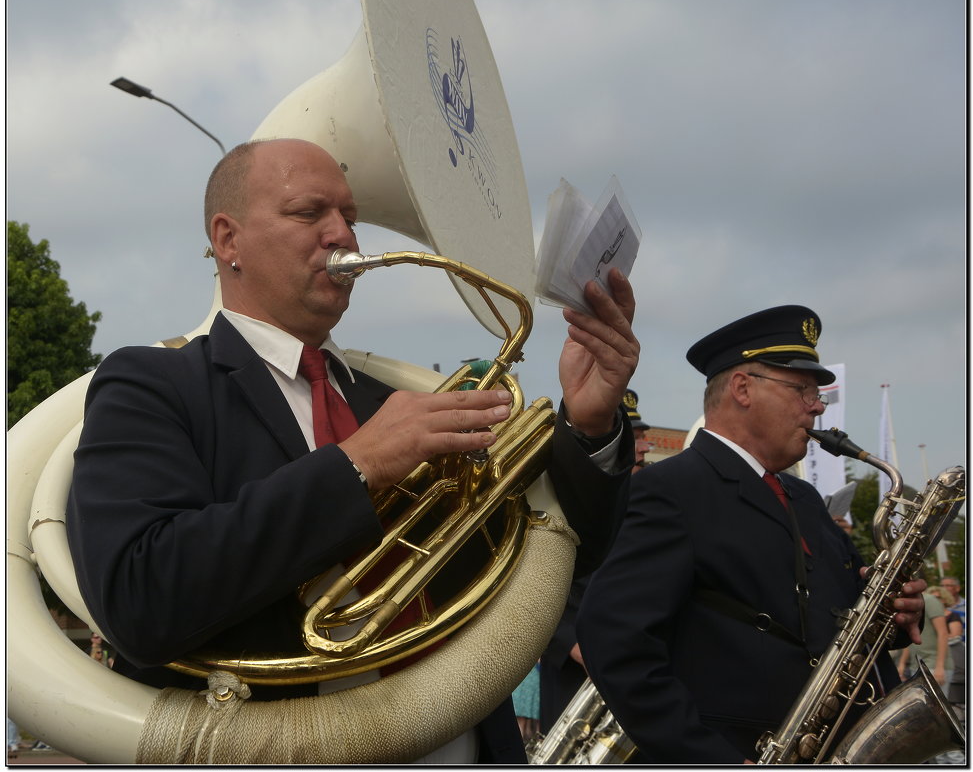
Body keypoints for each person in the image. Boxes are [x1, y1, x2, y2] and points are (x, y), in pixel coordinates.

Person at [65, 138, 639, 764]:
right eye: (310, 213)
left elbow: (548, 556)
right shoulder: (151, 383)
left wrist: (588, 426)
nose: (344, 234)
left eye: (350, 217)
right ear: (228, 240)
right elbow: (140, 597)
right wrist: (357, 466)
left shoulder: (394, 401)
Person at [577, 305, 926, 763]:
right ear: (742, 388)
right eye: (802, 389)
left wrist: (895, 616)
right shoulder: (670, 489)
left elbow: (833, 616)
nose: (818, 405)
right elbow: (615, 641)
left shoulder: (802, 498)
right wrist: (707, 758)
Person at [538, 389, 648, 734]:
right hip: (576, 680)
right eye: (638, 439)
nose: (642, 448)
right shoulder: (561, 499)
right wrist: (571, 643)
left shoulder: (650, 502)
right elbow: (535, 583)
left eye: (642, 438)